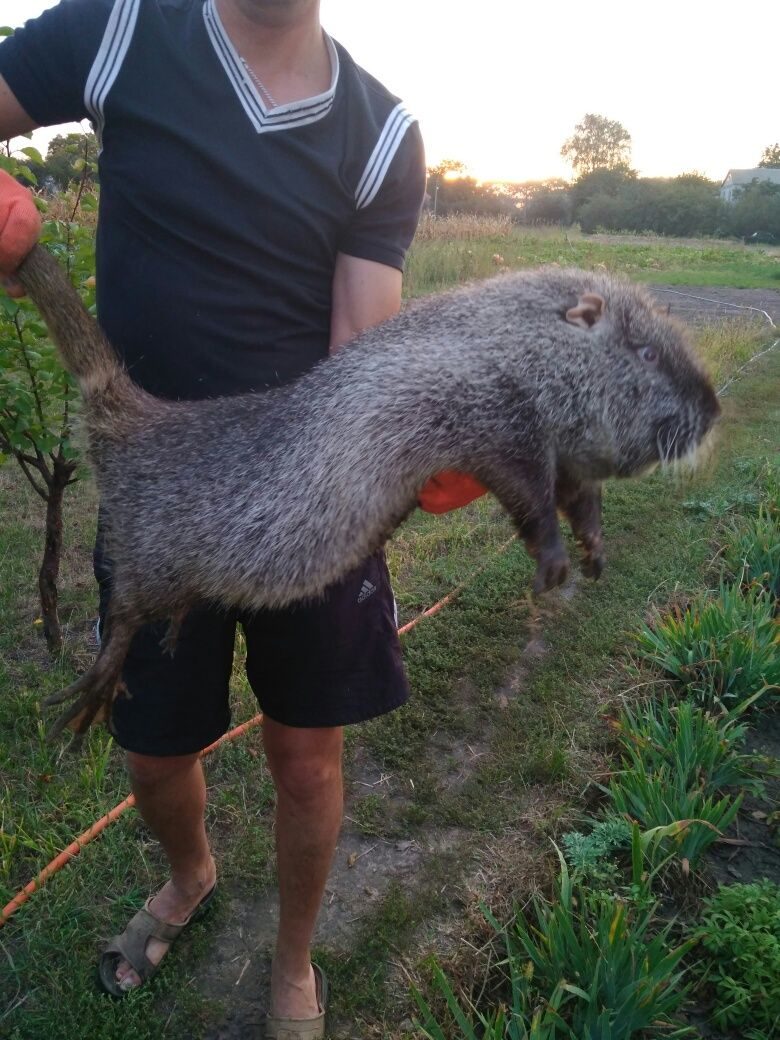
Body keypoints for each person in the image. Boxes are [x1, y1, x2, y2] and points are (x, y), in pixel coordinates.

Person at [0, 1, 482, 1033]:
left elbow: (362, 342)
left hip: (307, 500)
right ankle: (191, 874)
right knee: (152, 750)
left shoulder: (380, 130)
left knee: (306, 756)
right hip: (158, 494)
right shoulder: (120, 28)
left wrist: (421, 444)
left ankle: (296, 962)